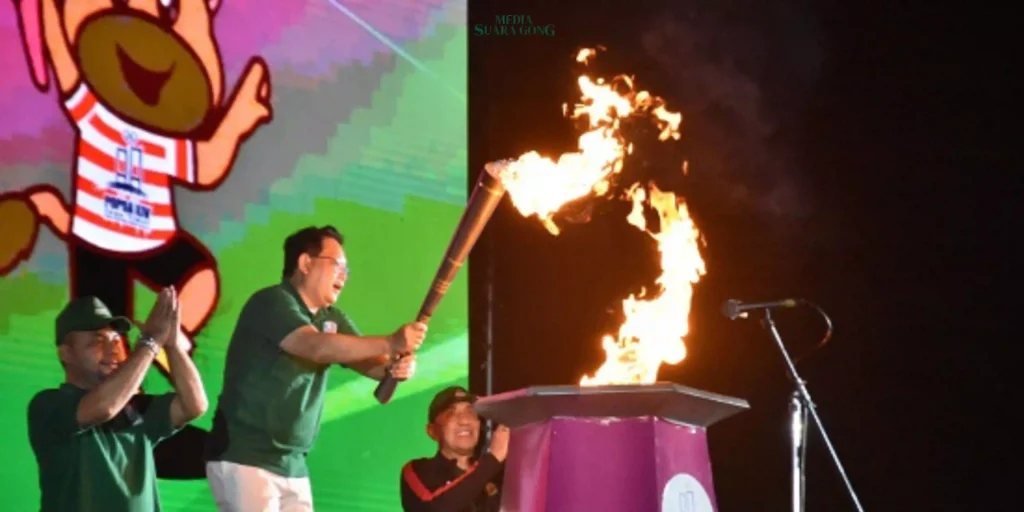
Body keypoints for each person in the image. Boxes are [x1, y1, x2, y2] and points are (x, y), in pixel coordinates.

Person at [204, 225, 427, 511]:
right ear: (305, 263)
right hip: (245, 457)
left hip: (293, 465)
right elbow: (316, 347)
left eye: (347, 270)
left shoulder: (331, 317)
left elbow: (374, 366)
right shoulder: (271, 302)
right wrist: (390, 342)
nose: (343, 276)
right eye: (337, 265)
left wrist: (400, 366)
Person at [27, 289, 208, 512]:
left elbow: (194, 405)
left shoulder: (133, 409)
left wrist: (172, 345)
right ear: (67, 354)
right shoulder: (48, 404)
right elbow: (103, 407)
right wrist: (150, 343)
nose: (113, 349)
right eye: (97, 341)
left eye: (115, 340)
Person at [400, 386, 510, 512]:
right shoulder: (418, 470)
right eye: (450, 414)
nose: (464, 421)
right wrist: (492, 460)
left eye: (471, 412)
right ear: (432, 431)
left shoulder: (499, 473)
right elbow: (432, 508)